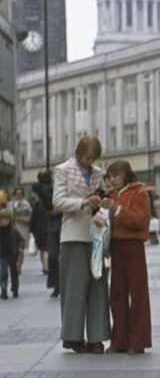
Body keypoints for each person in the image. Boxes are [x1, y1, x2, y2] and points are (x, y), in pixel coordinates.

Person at [53, 135, 111, 354]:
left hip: (96, 233)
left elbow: (104, 195)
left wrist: (100, 201)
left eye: (94, 157)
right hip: (73, 235)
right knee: (74, 287)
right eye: (87, 156)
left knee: (98, 285)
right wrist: (83, 202)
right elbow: (57, 201)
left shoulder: (98, 173)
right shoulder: (63, 170)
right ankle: (72, 336)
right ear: (79, 152)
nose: (90, 160)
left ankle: (97, 337)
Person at [104, 160, 152, 355]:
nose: (112, 180)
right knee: (117, 293)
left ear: (125, 175)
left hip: (133, 244)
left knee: (138, 292)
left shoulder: (138, 192)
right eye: (110, 177)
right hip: (116, 245)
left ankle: (138, 341)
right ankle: (119, 340)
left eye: (115, 176)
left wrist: (117, 209)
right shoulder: (111, 194)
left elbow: (140, 220)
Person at [0, 208, 23, 299]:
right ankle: (3, 290)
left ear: (10, 220)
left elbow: (21, 240)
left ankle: (15, 289)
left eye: (6, 219)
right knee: (3, 273)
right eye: (2, 219)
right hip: (2, 255)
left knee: (14, 273)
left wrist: (20, 247)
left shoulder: (14, 231)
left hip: (13, 254)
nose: (4, 221)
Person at [10, 187, 32, 277]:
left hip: (23, 227)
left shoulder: (26, 204)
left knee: (21, 248)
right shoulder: (11, 204)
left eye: (20, 193)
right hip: (12, 228)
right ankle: (15, 264)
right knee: (13, 249)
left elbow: (29, 217)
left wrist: (19, 218)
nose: (18, 195)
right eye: (16, 193)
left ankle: (19, 265)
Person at [29, 177, 50, 274]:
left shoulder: (37, 204)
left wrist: (31, 229)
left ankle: (44, 266)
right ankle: (46, 266)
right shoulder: (47, 203)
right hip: (47, 227)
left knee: (43, 249)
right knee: (46, 248)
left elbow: (33, 217)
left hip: (38, 229)